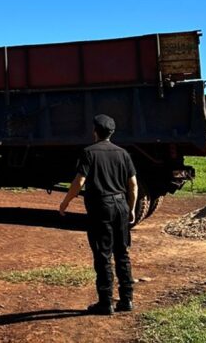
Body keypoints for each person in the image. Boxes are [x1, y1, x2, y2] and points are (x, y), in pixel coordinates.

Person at [59, 114, 138, 315]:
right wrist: (131, 208)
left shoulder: (89, 152)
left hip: (100, 206)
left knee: (103, 254)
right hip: (121, 204)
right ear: (112, 132)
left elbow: (80, 181)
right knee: (122, 253)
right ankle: (127, 299)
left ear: (95, 131)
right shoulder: (123, 153)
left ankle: (106, 302)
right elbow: (133, 185)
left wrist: (65, 202)